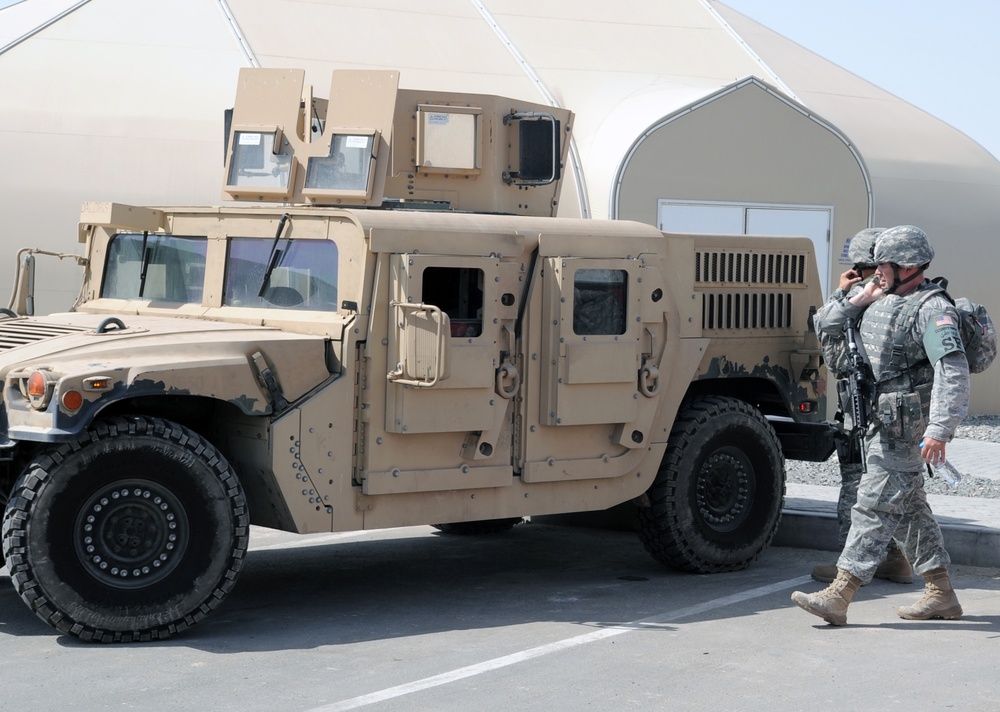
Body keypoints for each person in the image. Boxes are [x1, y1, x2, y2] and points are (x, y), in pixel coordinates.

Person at [792, 225, 969, 625]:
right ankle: (941, 593)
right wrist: (860, 298)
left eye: (882, 265)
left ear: (906, 265)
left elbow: (952, 369)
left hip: (907, 427)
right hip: (882, 420)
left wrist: (941, 428)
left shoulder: (931, 307)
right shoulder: (882, 298)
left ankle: (840, 594)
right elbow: (827, 326)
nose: (876, 271)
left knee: (873, 503)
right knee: (908, 510)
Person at [810, 228, 912, 585]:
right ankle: (897, 558)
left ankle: (849, 566)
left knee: (855, 483)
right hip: (898, 408)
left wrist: (842, 292)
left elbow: (824, 331)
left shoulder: (862, 296)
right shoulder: (906, 296)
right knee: (896, 485)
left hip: (861, 407)